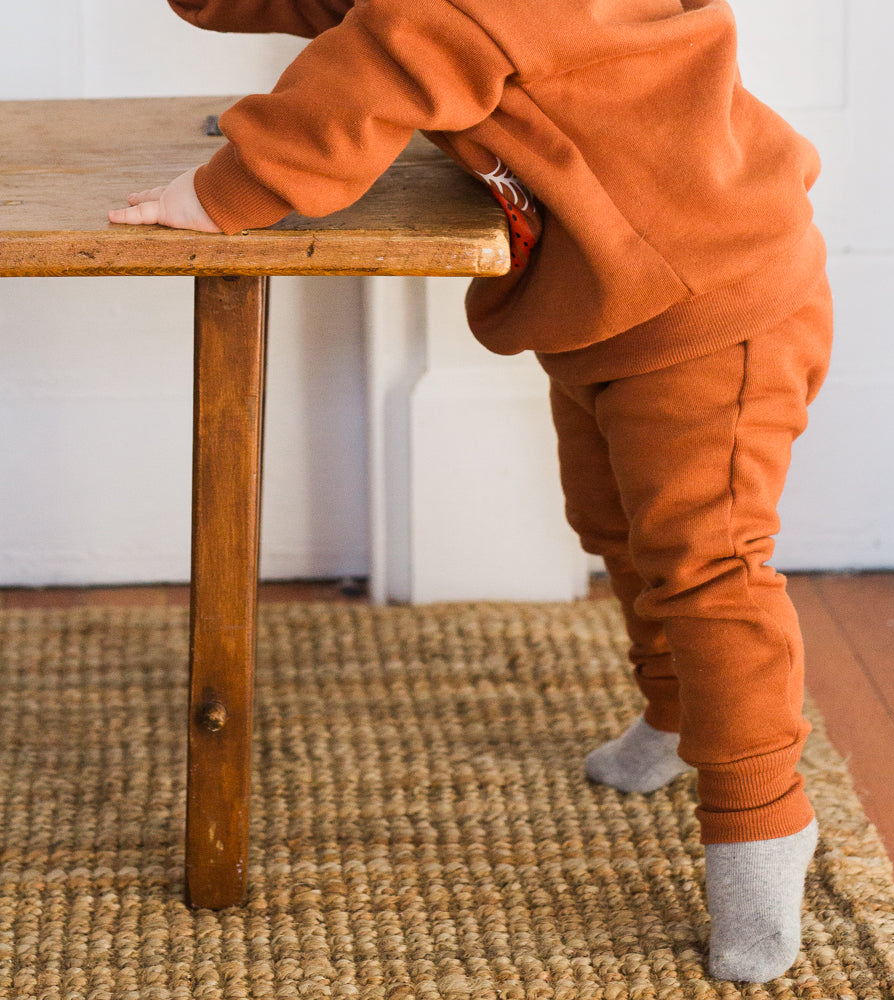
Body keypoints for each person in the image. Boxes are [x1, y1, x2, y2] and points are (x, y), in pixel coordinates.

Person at [110, 0, 833, 982]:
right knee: (616, 526)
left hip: (713, 300)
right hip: (617, 300)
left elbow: (389, 52)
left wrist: (229, 188)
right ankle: (675, 715)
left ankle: (761, 826)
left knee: (706, 564)